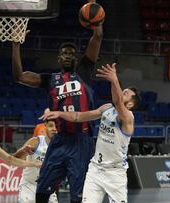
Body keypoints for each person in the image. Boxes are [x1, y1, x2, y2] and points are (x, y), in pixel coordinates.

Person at [12, 14, 103, 203]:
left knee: (78, 197)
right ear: (59, 59)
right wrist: (15, 45)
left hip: (81, 141)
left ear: (77, 59)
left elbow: (97, 38)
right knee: (41, 192)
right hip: (59, 141)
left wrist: (97, 22)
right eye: (65, 53)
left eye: (72, 53)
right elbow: (19, 76)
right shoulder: (50, 80)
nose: (68, 55)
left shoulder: (84, 72)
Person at [41, 63, 141, 203]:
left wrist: (114, 80)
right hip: (95, 169)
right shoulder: (106, 108)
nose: (121, 93)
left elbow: (118, 102)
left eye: (125, 94)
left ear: (130, 104)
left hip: (115, 173)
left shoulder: (128, 118)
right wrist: (60, 113)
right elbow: (79, 116)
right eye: (122, 91)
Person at [13, 119, 58, 203]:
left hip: (48, 187)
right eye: (51, 126)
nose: (54, 129)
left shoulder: (62, 147)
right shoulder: (36, 141)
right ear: (45, 127)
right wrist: (23, 151)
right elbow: (14, 159)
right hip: (29, 186)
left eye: (57, 126)